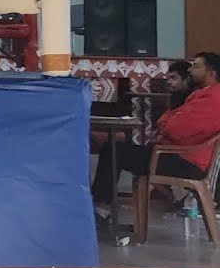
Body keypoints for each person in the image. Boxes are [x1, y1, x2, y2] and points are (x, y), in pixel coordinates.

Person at [92, 52, 220, 216]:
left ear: (211, 73)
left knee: (114, 150)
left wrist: (164, 129)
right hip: (175, 155)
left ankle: (100, 207)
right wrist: (166, 126)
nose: (190, 71)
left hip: (185, 162)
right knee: (114, 148)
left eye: (196, 66)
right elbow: (168, 119)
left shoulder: (213, 98)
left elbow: (176, 128)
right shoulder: (201, 94)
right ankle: (101, 205)